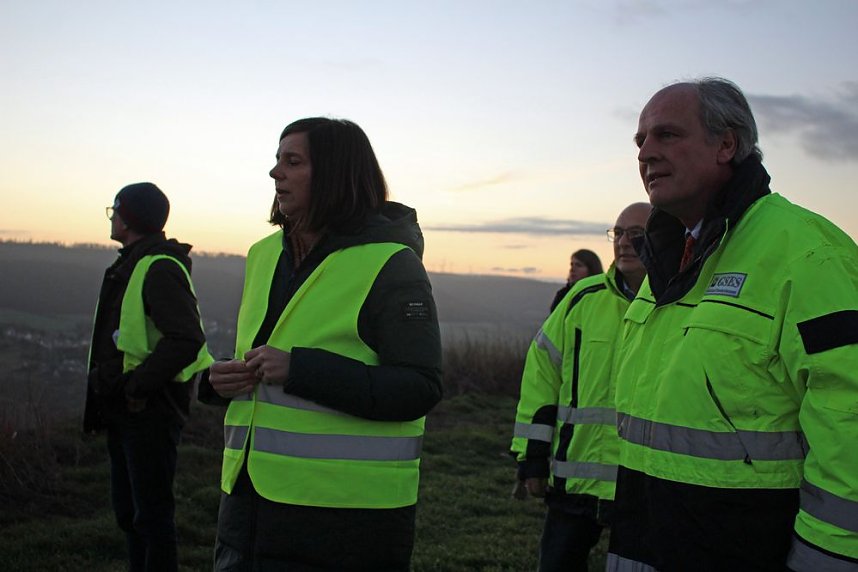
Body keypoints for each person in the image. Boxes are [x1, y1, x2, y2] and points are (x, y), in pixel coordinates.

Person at [607, 78, 858, 571]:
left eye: (667, 135)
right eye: (640, 141)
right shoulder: (665, 260)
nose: (646, 153)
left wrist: (826, 558)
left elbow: (849, 422)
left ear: (727, 144)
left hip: (750, 545)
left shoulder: (808, 254)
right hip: (645, 537)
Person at [199, 117, 443, 570]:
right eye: (277, 161)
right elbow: (263, 361)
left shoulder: (392, 263)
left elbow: (419, 387)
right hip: (247, 503)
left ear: (334, 174)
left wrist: (301, 370)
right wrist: (217, 382)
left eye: (293, 162)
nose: (276, 173)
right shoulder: (262, 254)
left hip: (347, 518)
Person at [511, 202, 651, 571]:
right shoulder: (581, 298)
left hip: (645, 488)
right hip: (573, 483)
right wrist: (533, 457)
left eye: (636, 234)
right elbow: (542, 376)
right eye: (617, 233)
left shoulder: (682, 303)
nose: (623, 242)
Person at [84, 182, 214, 572]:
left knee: (151, 518)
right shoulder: (135, 262)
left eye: (116, 209)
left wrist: (136, 386)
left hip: (149, 410)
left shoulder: (158, 266)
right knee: (131, 515)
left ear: (131, 217)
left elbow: (187, 339)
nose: (113, 217)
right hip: (129, 408)